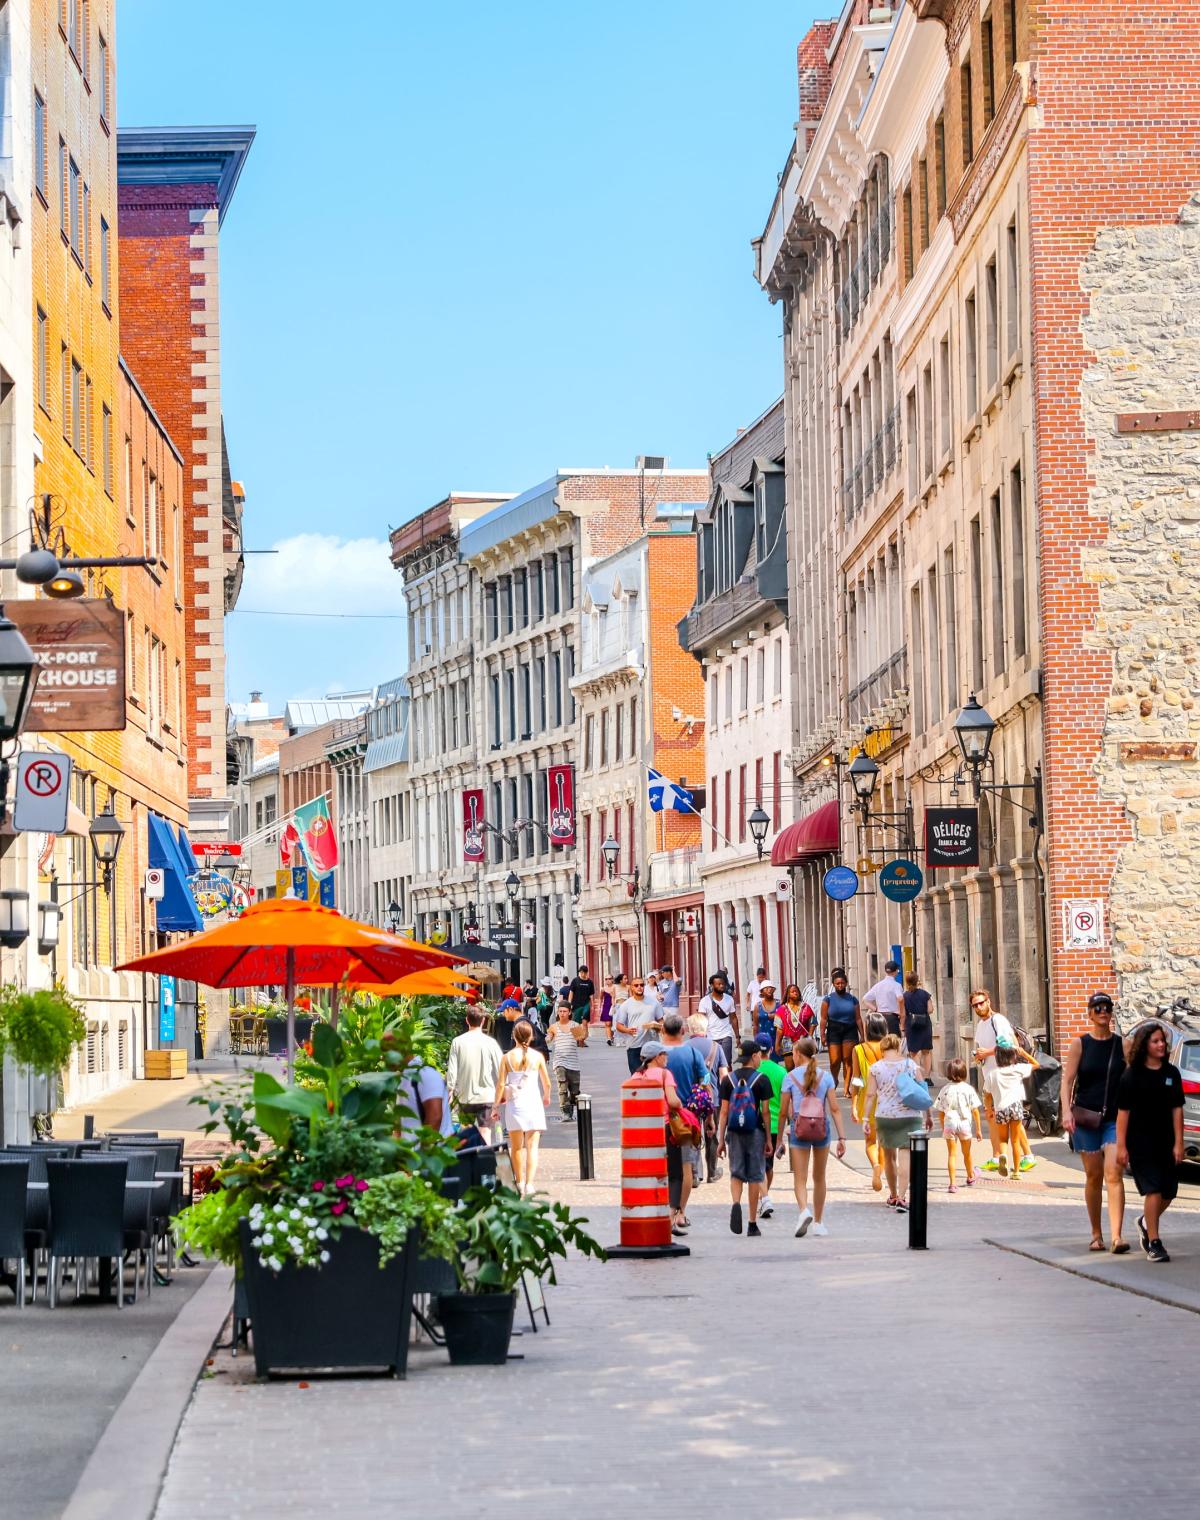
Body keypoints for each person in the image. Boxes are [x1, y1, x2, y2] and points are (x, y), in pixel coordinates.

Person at [1061, 991, 1128, 1253]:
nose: (1103, 1012)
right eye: (1097, 1008)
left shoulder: (1123, 1045)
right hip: (1086, 1118)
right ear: (1089, 1013)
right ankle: (1096, 1234)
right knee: (1093, 1176)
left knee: (1114, 1173)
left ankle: (1117, 1236)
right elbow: (1067, 1081)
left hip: (1113, 1118)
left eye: (1107, 1008)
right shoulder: (1081, 1044)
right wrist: (1066, 1112)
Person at [1117, 1022, 1185, 1263]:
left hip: (1166, 1140)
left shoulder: (1171, 1073)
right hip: (1140, 1142)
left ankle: (1146, 1221)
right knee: (1153, 1188)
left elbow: (1177, 1109)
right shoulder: (1131, 1076)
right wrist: (1122, 1146)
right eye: (1155, 1041)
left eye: (1162, 1041)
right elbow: (1123, 1113)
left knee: (1169, 1191)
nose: (1161, 1045)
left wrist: (1179, 1142)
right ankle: (1154, 1242)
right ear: (1145, 1045)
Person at [775, 1035, 846, 1236]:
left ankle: (803, 1211)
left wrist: (779, 1137)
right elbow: (835, 1108)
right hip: (822, 1128)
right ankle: (818, 1222)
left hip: (799, 1128)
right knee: (819, 1177)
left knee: (800, 1177)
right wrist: (842, 1138)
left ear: (798, 1054)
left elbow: (782, 1112)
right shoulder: (826, 1077)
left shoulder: (790, 1077)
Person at [865, 1033, 932, 1213]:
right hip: (910, 1116)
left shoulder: (876, 1068)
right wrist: (929, 1115)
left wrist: (865, 1119)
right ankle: (903, 1197)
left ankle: (893, 1195)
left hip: (885, 1117)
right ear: (897, 1047)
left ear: (883, 1049)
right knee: (905, 1156)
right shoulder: (910, 1065)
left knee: (888, 1157)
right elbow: (922, 1091)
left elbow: (870, 1095)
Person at [716, 1039, 774, 1237]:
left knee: (736, 1172)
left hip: (734, 1131)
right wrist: (768, 1138)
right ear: (755, 1056)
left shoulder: (728, 1080)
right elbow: (765, 1112)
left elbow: (723, 1112)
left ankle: (735, 1203)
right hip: (755, 1130)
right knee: (756, 1175)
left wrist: (720, 1139)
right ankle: (751, 1222)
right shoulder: (762, 1079)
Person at [662, 1012, 710, 1233]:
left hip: (661, 1117)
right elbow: (705, 1082)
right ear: (682, 1031)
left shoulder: (657, 1054)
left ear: (663, 1031)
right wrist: (709, 1117)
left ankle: (667, 1211)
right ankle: (680, 1212)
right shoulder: (692, 1053)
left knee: (664, 1168)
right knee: (686, 1168)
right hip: (687, 1118)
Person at [494, 1020, 550, 1195]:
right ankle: (530, 1184)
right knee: (532, 1147)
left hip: (515, 1106)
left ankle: (519, 1181)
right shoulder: (538, 1056)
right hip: (533, 1103)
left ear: (514, 1036)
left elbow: (501, 1084)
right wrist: (546, 1097)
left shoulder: (507, 1058)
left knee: (516, 1147)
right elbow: (546, 1083)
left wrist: (496, 1106)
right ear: (531, 1036)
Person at [969, 988, 1017, 1170]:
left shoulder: (998, 1020)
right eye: (975, 1005)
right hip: (988, 1076)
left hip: (1003, 1074)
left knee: (1012, 1117)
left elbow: (1010, 1045)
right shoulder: (981, 1025)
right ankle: (997, 1156)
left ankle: (1026, 1155)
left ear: (989, 1001)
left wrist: (987, 1052)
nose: (979, 1007)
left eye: (981, 1003)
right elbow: (981, 1047)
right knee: (991, 1116)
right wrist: (979, 1055)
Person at [445, 1008, 503, 1140]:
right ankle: (485, 1159)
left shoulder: (457, 1042)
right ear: (483, 1021)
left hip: (464, 1096)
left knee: (467, 1133)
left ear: (467, 1021)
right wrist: (501, 1094)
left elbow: (452, 1071)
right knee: (485, 1133)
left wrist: (450, 1090)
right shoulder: (490, 1043)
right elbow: (501, 1070)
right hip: (486, 1096)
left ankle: (470, 1159)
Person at [687, 1011, 728, 1182]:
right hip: (713, 1098)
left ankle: (695, 1173)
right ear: (706, 1027)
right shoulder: (716, 1047)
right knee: (712, 1133)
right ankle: (712, 1172)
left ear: (689, 1028)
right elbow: (724, 1075)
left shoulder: (684, 1047)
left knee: (692, 1134)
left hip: (690, 1098)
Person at [933, 1057, 983, 1191]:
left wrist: (944, 1128)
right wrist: (978, 1130)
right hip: (965, 1123)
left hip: (950, 1123)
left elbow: (941, 1112)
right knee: (967, 1153)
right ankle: (970, 1175)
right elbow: (975, 1111)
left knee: (952, 1154)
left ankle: (952, 1183)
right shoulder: (969, 1089)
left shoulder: (945, 1089)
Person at [983, 1046, 1033, 1178]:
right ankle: (1016, 1172)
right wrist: (1025, 1054)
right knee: (1015, 1141)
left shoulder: (992, 1074)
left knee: (1003, 1139)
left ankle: (1003, 1156)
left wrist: (988, 1110)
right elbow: (1037, 1065)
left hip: (1000, 1109)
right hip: (1016, 1107)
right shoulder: (1017, 1069)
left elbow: (987, 1095)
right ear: (1013, 1057)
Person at [851, 1014, 888, 1192]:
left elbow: (856, 1080)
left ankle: (875, 1166)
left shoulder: (858, 1050)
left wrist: (854, 1104)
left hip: (868, 1100)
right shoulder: (889, 1048)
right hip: (888, 1100)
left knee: (870, 1141)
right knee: (883, 1141)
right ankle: (880, 1173)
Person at [755, 1032, 787, 1219]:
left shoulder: (754, 1071)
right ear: (772, 1049)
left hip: (757, 1123)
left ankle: (764, 1197)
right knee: (768, 1166)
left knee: (758, 1165)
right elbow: (786, 1102)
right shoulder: (781, 1072)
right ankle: (764, 1197)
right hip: (775, 1125)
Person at [820, 969, 862, 1098]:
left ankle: (846, 1088)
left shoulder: (853, 999)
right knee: (835, 1060)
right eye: (837, 983)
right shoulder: (828, 1000)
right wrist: (822, 1034)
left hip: (850, 1029)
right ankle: (834, 1079)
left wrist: (863, 1035)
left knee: (848, 1060)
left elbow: (858, 1018)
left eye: (842, 983)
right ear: (833, 984)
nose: (840, 986)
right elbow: (823, 1018)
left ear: (846, 983)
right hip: (834, 1029)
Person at [547, 1000, 587, 1121]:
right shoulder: (554, 1027)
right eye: (560, 1011)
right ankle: (565, 1112)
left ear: (569, 1012)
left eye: (565, 1011)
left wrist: (583, 1033)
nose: (562, 1014)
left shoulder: (574, 1025)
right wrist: (546, 1039)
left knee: (575, 1092)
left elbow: (581, 1040)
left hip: (573, 1063)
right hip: (559, 1062)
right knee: (562, 1087)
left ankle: (570, 1104)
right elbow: (549, 1037)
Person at [613, 976, 662, 1074]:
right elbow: (619, 1025)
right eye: (636, 985)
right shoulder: (626, 1004)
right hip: (634, 1045)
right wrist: (627, 1030)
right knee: (637, 1076)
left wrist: (658, 1027)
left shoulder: (654, 1002)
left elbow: (661, 1021)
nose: (639, 987)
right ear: (631, 987)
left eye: (642, 985)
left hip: (652, 1044)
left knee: (653, 1076)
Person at [401, 1060, 455, 1139]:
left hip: (434, 1148)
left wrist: (422, 1149)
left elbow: (435, 1118)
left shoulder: (425, 1074)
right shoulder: (403, 1079)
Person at [699, 972, 739, 1068]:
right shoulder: (704, 1001)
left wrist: (737, 1037)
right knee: (712, 1064)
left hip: (726, 1035)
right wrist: (701, 1036)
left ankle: (727, 1082)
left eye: (723, 984)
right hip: (710, 1037)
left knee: (727, 1064)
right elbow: (701, 1020)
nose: (722, 986)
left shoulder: (729, 999)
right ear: (712, 985)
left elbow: (733, 1018)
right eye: (719, 984)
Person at [902, 972, 935, 1079]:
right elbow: (930, 1010)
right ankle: (927, 1077)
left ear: (906, 981)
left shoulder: (904, 996)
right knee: (926, 1051)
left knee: (913, 1052)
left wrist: (902, 1027)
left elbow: (902, 1013)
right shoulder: (925, 994)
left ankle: (918, 1076)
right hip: (925, 1024)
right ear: (917, 981)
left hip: (911, 1026)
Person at [776, 983, 814, 1066]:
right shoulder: (781, 1010)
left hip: (803, 1040)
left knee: (804, 1066)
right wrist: (777, 1044)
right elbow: (779, 1029)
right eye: (793, 992)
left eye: (797, 991)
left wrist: (810, 1036)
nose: (795, 993)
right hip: (787, 1042)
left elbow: (813, 1022)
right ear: (788, 994)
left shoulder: (806, 1007)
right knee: (790, 1068)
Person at [863, 960, 903, 1038]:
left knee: (881, 1041)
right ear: (896, 971)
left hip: (879, 1017)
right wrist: (901, 1013)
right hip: (892, 1017)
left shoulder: (878, 985)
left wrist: (875, 1009)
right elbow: (900, 999)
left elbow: (865, 999)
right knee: (893, 1042)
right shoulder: (896, 985)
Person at [752, 981, 780, 1048]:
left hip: (777, 1040)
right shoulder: (757, 1006)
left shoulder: (779, 1004)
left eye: (771, 988)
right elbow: (755, 1026)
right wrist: (756, 1041)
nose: (769, 990)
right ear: (762, 992)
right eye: (766, 988)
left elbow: (784, 1021)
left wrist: (776, 1016)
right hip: (762, 1040)